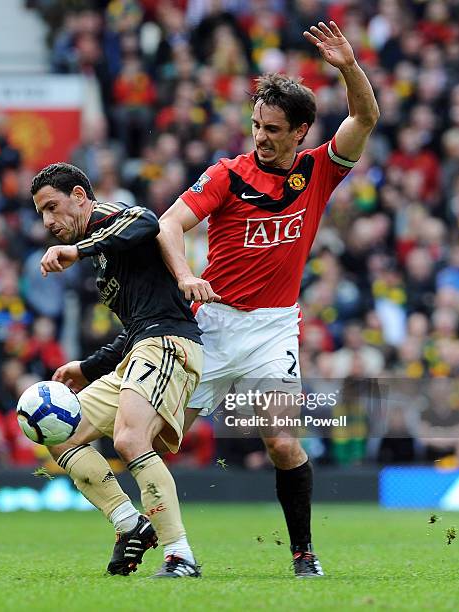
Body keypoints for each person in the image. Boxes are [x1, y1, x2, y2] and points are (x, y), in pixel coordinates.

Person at [157, 21, 379, 577]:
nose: (260, 137)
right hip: (208, 324)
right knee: (156, 438)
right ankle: (155, 543)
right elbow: (168, 225)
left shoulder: (319, 172)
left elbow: (366, 118)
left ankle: (304, 555)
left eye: (274, 129)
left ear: (301, 131)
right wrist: (186, 274)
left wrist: (349, 67)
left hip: (273, 328)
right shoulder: (227, 176)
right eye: (256, 124)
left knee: (281, 440)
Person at [30, 163, 203, 578]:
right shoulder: (105, 257)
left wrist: (79, 249)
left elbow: (146, 220)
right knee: (59, 433)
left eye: (52, 208)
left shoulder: (111, 219)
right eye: (41, 214)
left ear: (78, 196)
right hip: (141, 347)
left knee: (129, 438)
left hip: (169, 343)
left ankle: (180, 555)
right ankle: (131, 524)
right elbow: (133, 328)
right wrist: (87, 367)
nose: (49, 222)